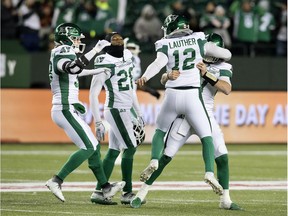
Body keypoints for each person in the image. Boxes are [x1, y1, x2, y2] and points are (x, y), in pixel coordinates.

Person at [131, 33, 243, 211]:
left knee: (222, 156)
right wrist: (168, 76)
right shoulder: (188, 54)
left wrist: (207, 74)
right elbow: (165, 77)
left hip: (204, 113)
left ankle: (225, 199)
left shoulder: (223, 66)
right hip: (184, 114)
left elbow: (226, 88)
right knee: (166, 156)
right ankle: (141, 193)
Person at [45, 23, 125, 202]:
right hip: (63, 108)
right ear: (66, 38)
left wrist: (98, 69)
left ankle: (105, 188)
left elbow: (75, 72)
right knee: (88, 147)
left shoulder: (63, 52)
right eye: (76, 38)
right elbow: (73, 68)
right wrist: (96, 49)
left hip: (66, 107)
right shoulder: (62, 51)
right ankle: (56, 180)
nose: (79, 41)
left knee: (94, 147)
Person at [89, 32, 145, 205]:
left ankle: (99, 192)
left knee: (114, 150)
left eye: (120, 38)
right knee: (130, 147)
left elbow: (131, 88)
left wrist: (139, 112)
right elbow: (93, 93)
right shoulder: (103, 61)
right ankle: (127, 193)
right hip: (115, 109)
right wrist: (98, 121)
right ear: (107, 44)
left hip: (126, 108)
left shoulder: (127, 55)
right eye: (114, 39)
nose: (119, 41)